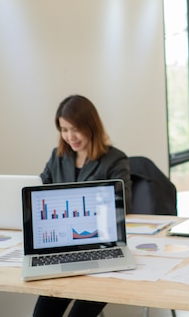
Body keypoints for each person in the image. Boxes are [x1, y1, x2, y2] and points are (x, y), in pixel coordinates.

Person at [32, 94, 132, 317]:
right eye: (64, 130)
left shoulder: (115, 160)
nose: (70, 136)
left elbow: (122, 207)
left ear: (91, 125)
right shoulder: (58, 157)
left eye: (75, 128)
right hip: (62, 248)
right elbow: (39, 193)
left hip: (99, 248)